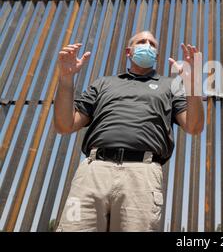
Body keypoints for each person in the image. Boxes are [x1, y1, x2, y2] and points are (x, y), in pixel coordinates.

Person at [54, 31, 204, 231]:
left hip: (142, 174)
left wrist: (192, 84)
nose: (147, 45)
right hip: (93, 171)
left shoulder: (170, 85)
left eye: (152, 44)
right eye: (141, 42)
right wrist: (65, 78)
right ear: (128, 51)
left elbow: (194, 127)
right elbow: (64, 125)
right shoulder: (103, 83)